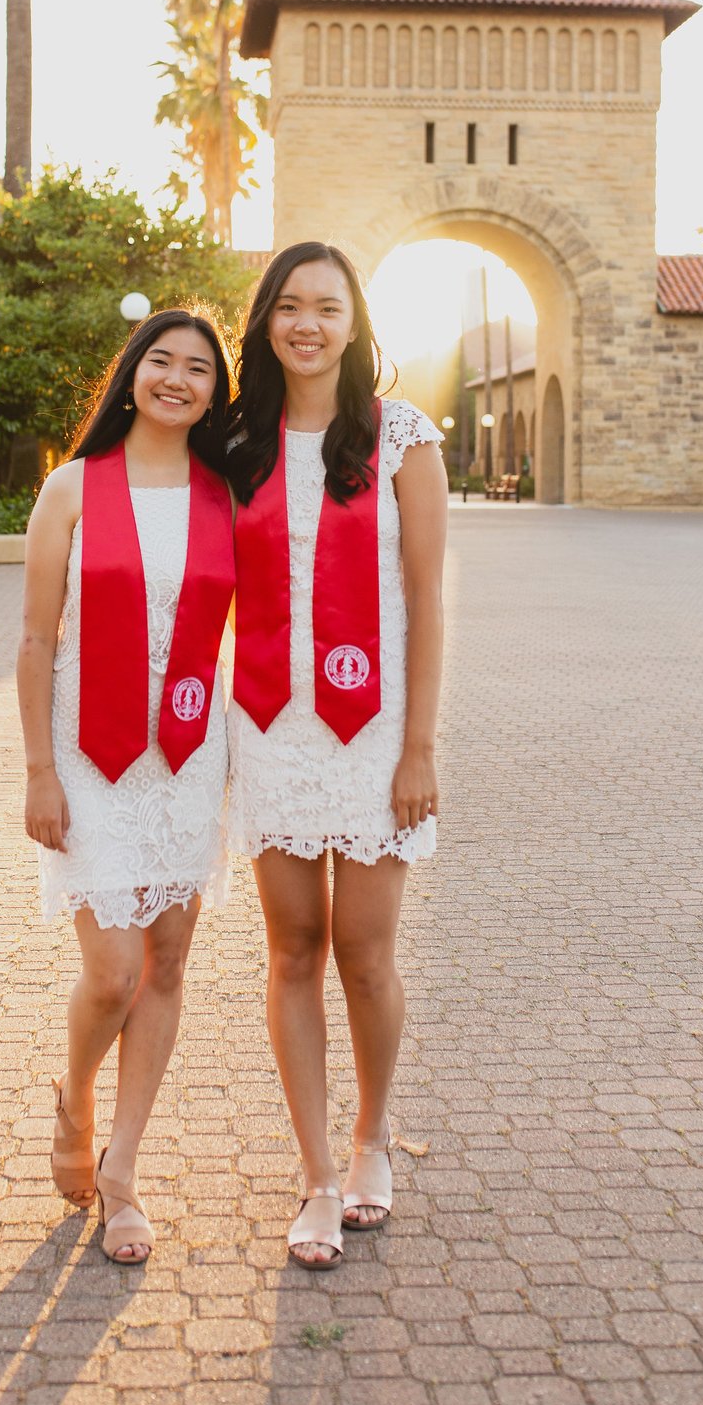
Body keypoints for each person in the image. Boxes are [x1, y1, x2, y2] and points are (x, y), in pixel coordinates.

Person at [226, 243, 448, 1269]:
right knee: (293, 951)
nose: (306, 323)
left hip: (375, 735)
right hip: (271, 728)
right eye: (288, 305)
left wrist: (419, 749)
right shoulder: (236, 440)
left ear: (355, 321)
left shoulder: (400, 438)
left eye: (326, 306)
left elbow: (427, 600)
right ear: (265, 320)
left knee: (363, 951)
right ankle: (316, 1172)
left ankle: (370, 1138)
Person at [18, 308, 235, 1264]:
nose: (177, 379)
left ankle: (122, 1171)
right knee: (111, 974)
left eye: (199, 369)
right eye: (162, 361)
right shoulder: (71, 487)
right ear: (132, 373)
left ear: (215, 394)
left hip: (186, 755)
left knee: (167, 966)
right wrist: (38, 771)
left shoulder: (227, 495)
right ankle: (75, 1097)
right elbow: (37, 637)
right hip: (87, 754)